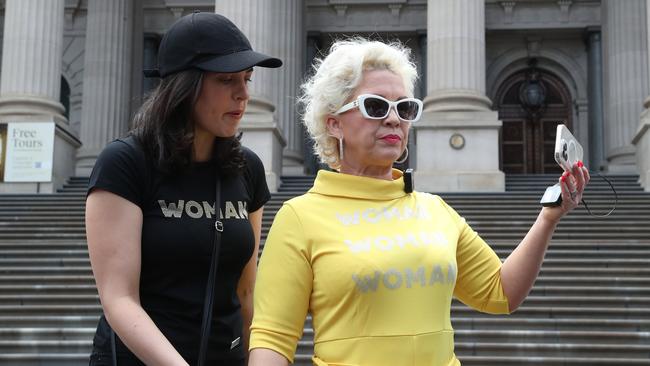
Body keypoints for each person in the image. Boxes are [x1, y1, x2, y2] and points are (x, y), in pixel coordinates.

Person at [247, 39, 589, 366]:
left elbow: (501, 292)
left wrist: (548, 218)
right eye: (376, 106)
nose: (394, 119)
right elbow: (272, 341)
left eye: (405, 107)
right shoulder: (299, 217)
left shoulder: (434, 209)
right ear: (334, 123)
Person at [85, 12, 281, 366]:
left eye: (247, 79)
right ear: (184, 87)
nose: (244, 94)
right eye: (226, 79)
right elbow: (119, 299)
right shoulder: (125, 162)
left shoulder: (247, 168)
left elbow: (246, 291)